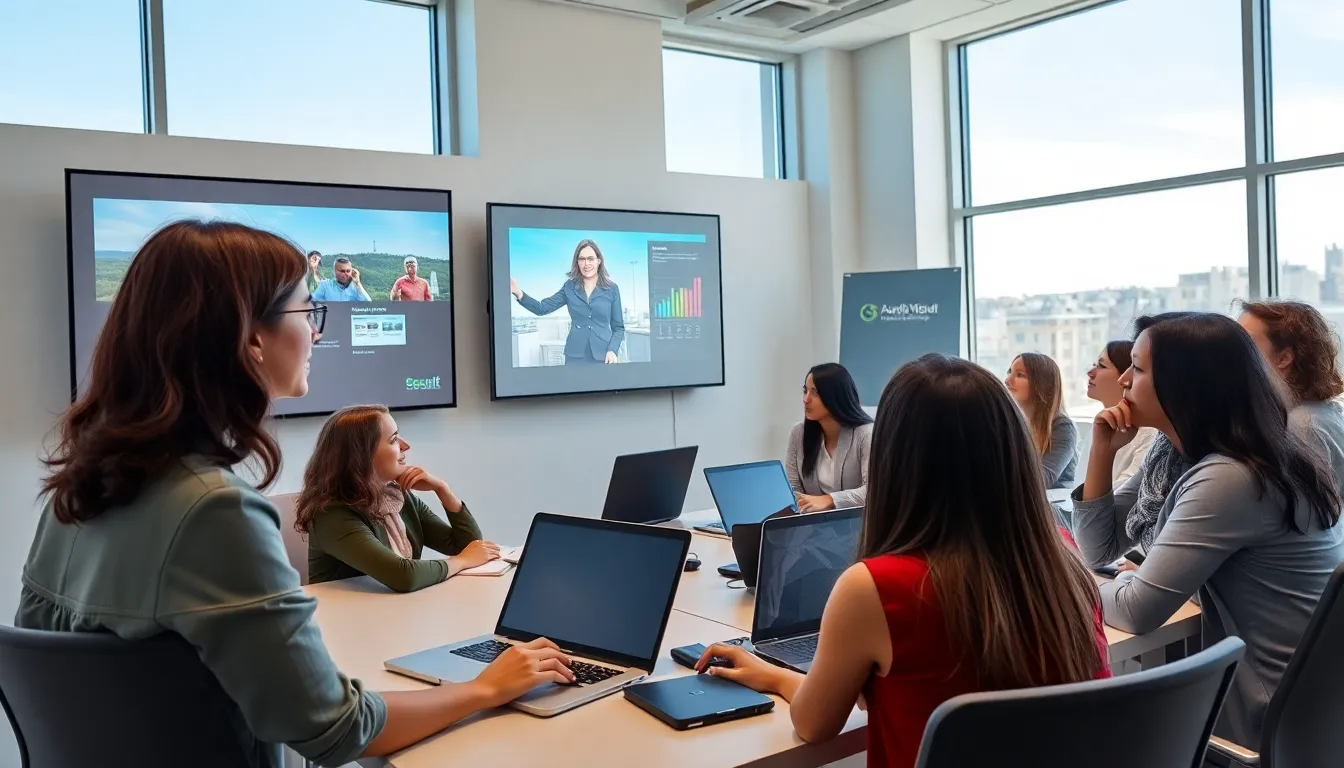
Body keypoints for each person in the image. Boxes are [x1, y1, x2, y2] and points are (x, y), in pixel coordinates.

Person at [16, 220, 575, 767]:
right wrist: (485, 688)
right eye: (308, 312)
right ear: (251, 337)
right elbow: (335, 731)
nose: (317, 331)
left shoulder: (77, 495)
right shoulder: (214, 510)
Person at [697, 355, 1110, 768]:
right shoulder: (1063, 555)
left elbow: (813, 724)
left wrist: (770, 674)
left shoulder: (875, 588)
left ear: (896, 458)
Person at [1075, 312, 1344, 747]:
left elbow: (1136, 610)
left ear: (1186, 385)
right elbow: (1098, 549)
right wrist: (1101, 452)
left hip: (1260, 726)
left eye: (1138, 368)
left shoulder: (1231, 478)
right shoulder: (1250, 455)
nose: (1123, 380)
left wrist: (1069, 582)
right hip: (1306, 724)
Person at [299, 405, 497, 592]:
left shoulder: (398, 496)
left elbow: (469, 546)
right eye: (393, 439)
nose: (405, 446)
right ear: (362, 454)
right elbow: (403, 576)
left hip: (393, 614)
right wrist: (463, 560)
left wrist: (443, 490)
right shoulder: (331, 514)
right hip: (346, 620)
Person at [1238, 299, 1344, 494]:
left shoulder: (1303, 428)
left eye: (1245, 341)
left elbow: (1302, 517)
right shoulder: (1319, 412)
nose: (1234, 350)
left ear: (1284, 358)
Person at [509, 239, 624, 364]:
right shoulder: (569, 287)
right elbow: (542, 308)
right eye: (582, 259)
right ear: (577, 262)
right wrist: (518, 292)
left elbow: (618, 328)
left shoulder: (612, 289)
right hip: (575, 356)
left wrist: (612, 350)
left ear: (599, 261)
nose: (586, 264)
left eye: (590, 259)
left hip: (604, 355)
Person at [785, 363, 873, 512]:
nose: (806, 399)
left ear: (836, 396)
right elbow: (793, 488)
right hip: (813, 527)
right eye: (805, 391)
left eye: (815, 393)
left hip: (858, 527)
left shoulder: (866, 434)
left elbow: (873, 491)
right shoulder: (798, 433)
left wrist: (830, 499)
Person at [1086, 340, 1157, 485]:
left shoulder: (1149, 435)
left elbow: (1119, 497)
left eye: (1101, 366)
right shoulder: (1101, 425)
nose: (1090, 372)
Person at [1005, 352, 1077, 488]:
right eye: (1010, 372)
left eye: (1019, 375)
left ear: (1041, 384)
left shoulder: (1062, 427)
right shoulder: (1010, 422)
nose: (1007, 381)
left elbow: (1042, 479)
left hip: (1050, 505)